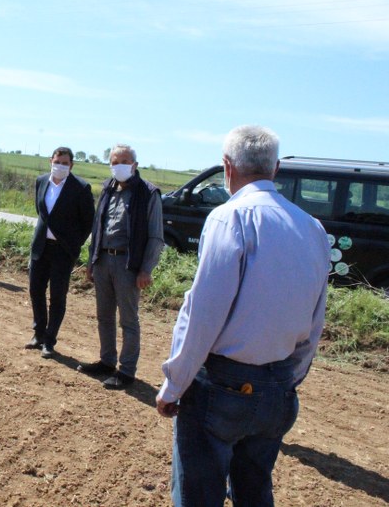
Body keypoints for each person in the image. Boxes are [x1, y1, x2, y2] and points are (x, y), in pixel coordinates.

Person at [155, 125, 330, 505]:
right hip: (278, 389)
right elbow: (316, 320)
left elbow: (202, 313)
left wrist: (175, 383)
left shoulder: (228, 218)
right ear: (276, 169)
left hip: (220, 387)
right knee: (254, 491)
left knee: (200, 495)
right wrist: (288, 380)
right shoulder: (312, 228)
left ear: (227, 167)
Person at [79, 144, 164, 388]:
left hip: (128, 264)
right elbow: (98, 227)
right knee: (104, 316)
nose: (119, 166)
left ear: (135, 165)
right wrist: (91, 261)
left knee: (128, 320)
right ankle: (106, 362)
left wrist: (146, 269)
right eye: (115, 162)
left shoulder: (148, 193)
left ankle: (126, 371)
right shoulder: (107, 188)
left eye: (124, 161)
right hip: (103, 260)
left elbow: (156, 236)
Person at [25, 147, 94, 358]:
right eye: (58, 161)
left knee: (57, 296)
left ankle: (49, 340)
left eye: (65, 163)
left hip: (63, 252)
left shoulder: (81, 187)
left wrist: (73, 245)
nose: (61, 166)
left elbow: (88, 222)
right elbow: (42, 213)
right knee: (35, 290)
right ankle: (38, 333)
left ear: (71, 165)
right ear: (50, 161)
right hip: (40, 248)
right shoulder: (41, 181)